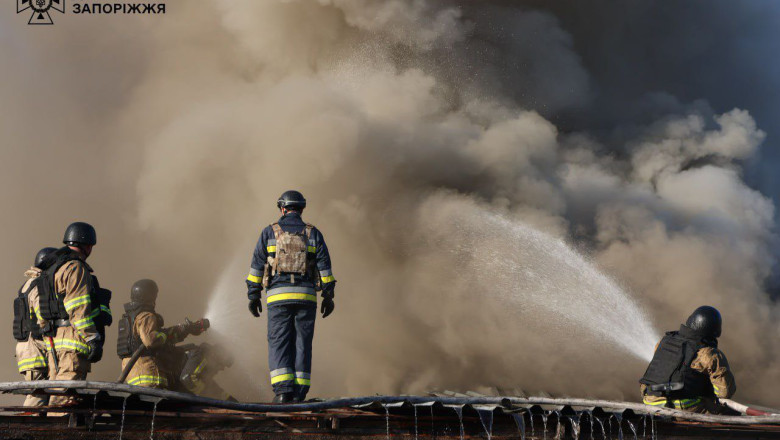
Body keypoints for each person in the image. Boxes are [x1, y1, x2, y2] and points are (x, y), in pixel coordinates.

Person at [246, 190, 336, 403]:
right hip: (306, 299)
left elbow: (257, 267)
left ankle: (283, 391)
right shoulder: (313, 233)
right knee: (302, 343)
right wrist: (329, 296)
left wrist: (253, 296)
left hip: (278, 298)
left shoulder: (269, 232)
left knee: (279, 342)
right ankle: (298, 393)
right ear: (301, 208)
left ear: (283, 208)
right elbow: (325, 269)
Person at [35, 222, 105, 408]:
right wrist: (92, 338)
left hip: (54, 342)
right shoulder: (75, 268)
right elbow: (78, 308)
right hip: (72, 341)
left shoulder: (53, 268)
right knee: (65, 400)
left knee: (57, 394)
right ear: (87, 244)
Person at [640, 306, 738, 414]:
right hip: (679, 407)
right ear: (715, 329)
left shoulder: (663, 342)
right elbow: (724, 392)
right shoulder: (709, 354)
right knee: (729, 414)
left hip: (649, 401)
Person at [117, 279, 207, 388]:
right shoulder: (146, 315)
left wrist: (182, 330)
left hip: (133, 377)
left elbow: (153, 338)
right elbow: (151, 340)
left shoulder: (129, 320)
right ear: (150, 296)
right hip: (149, 374)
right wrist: (171, 333)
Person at [13, 247, 56, 407]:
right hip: (34, 350)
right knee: (37, 396)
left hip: (27, 348)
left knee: (40, 393)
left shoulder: (28, 284)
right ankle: (26, 428)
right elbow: (43, 316)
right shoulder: (38, 285)